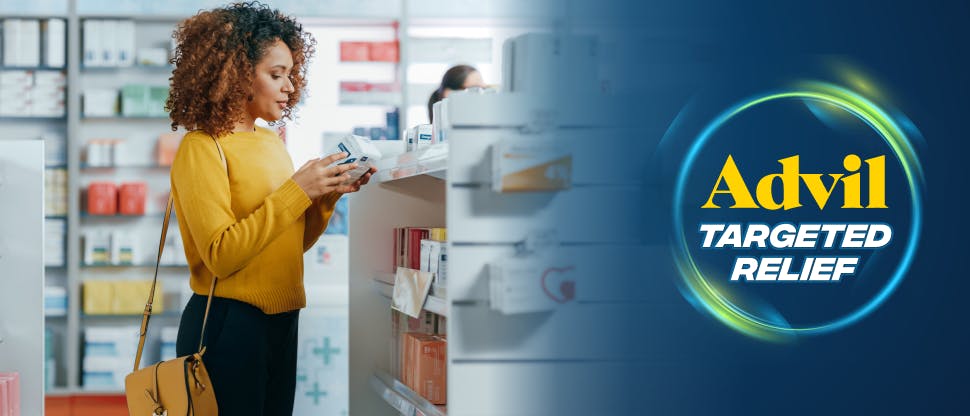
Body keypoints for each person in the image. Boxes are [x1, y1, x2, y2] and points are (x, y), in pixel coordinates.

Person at [165, 2, 376, 414]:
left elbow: (286, 244)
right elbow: (223, 255)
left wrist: (326, 195)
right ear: (239, 75)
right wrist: (298, 189)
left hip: (282, 319)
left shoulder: (271, 143)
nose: (290, 87)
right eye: (276, 75)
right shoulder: (202, 147)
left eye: (292, 74)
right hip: (227, 324)